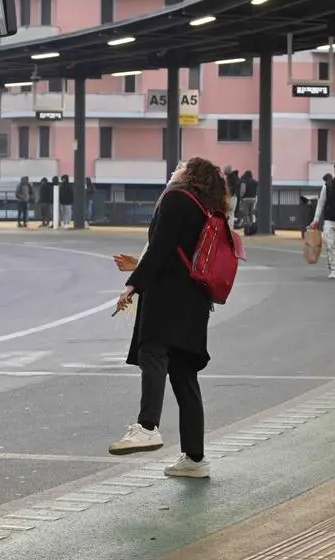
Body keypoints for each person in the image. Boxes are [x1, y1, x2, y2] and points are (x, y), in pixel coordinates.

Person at [110, 157, 230, 479]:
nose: (175, 168)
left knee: (152, 350)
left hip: (167, 299)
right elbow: (176, 251)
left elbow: (160, 248)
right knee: (184, 376)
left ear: (189, 176)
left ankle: (147, 426)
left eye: (181, 165)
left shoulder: (176, 198)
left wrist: (133, 285)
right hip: (194, 303)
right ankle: (195, 459)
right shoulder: (203, 207)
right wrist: (138, 265)